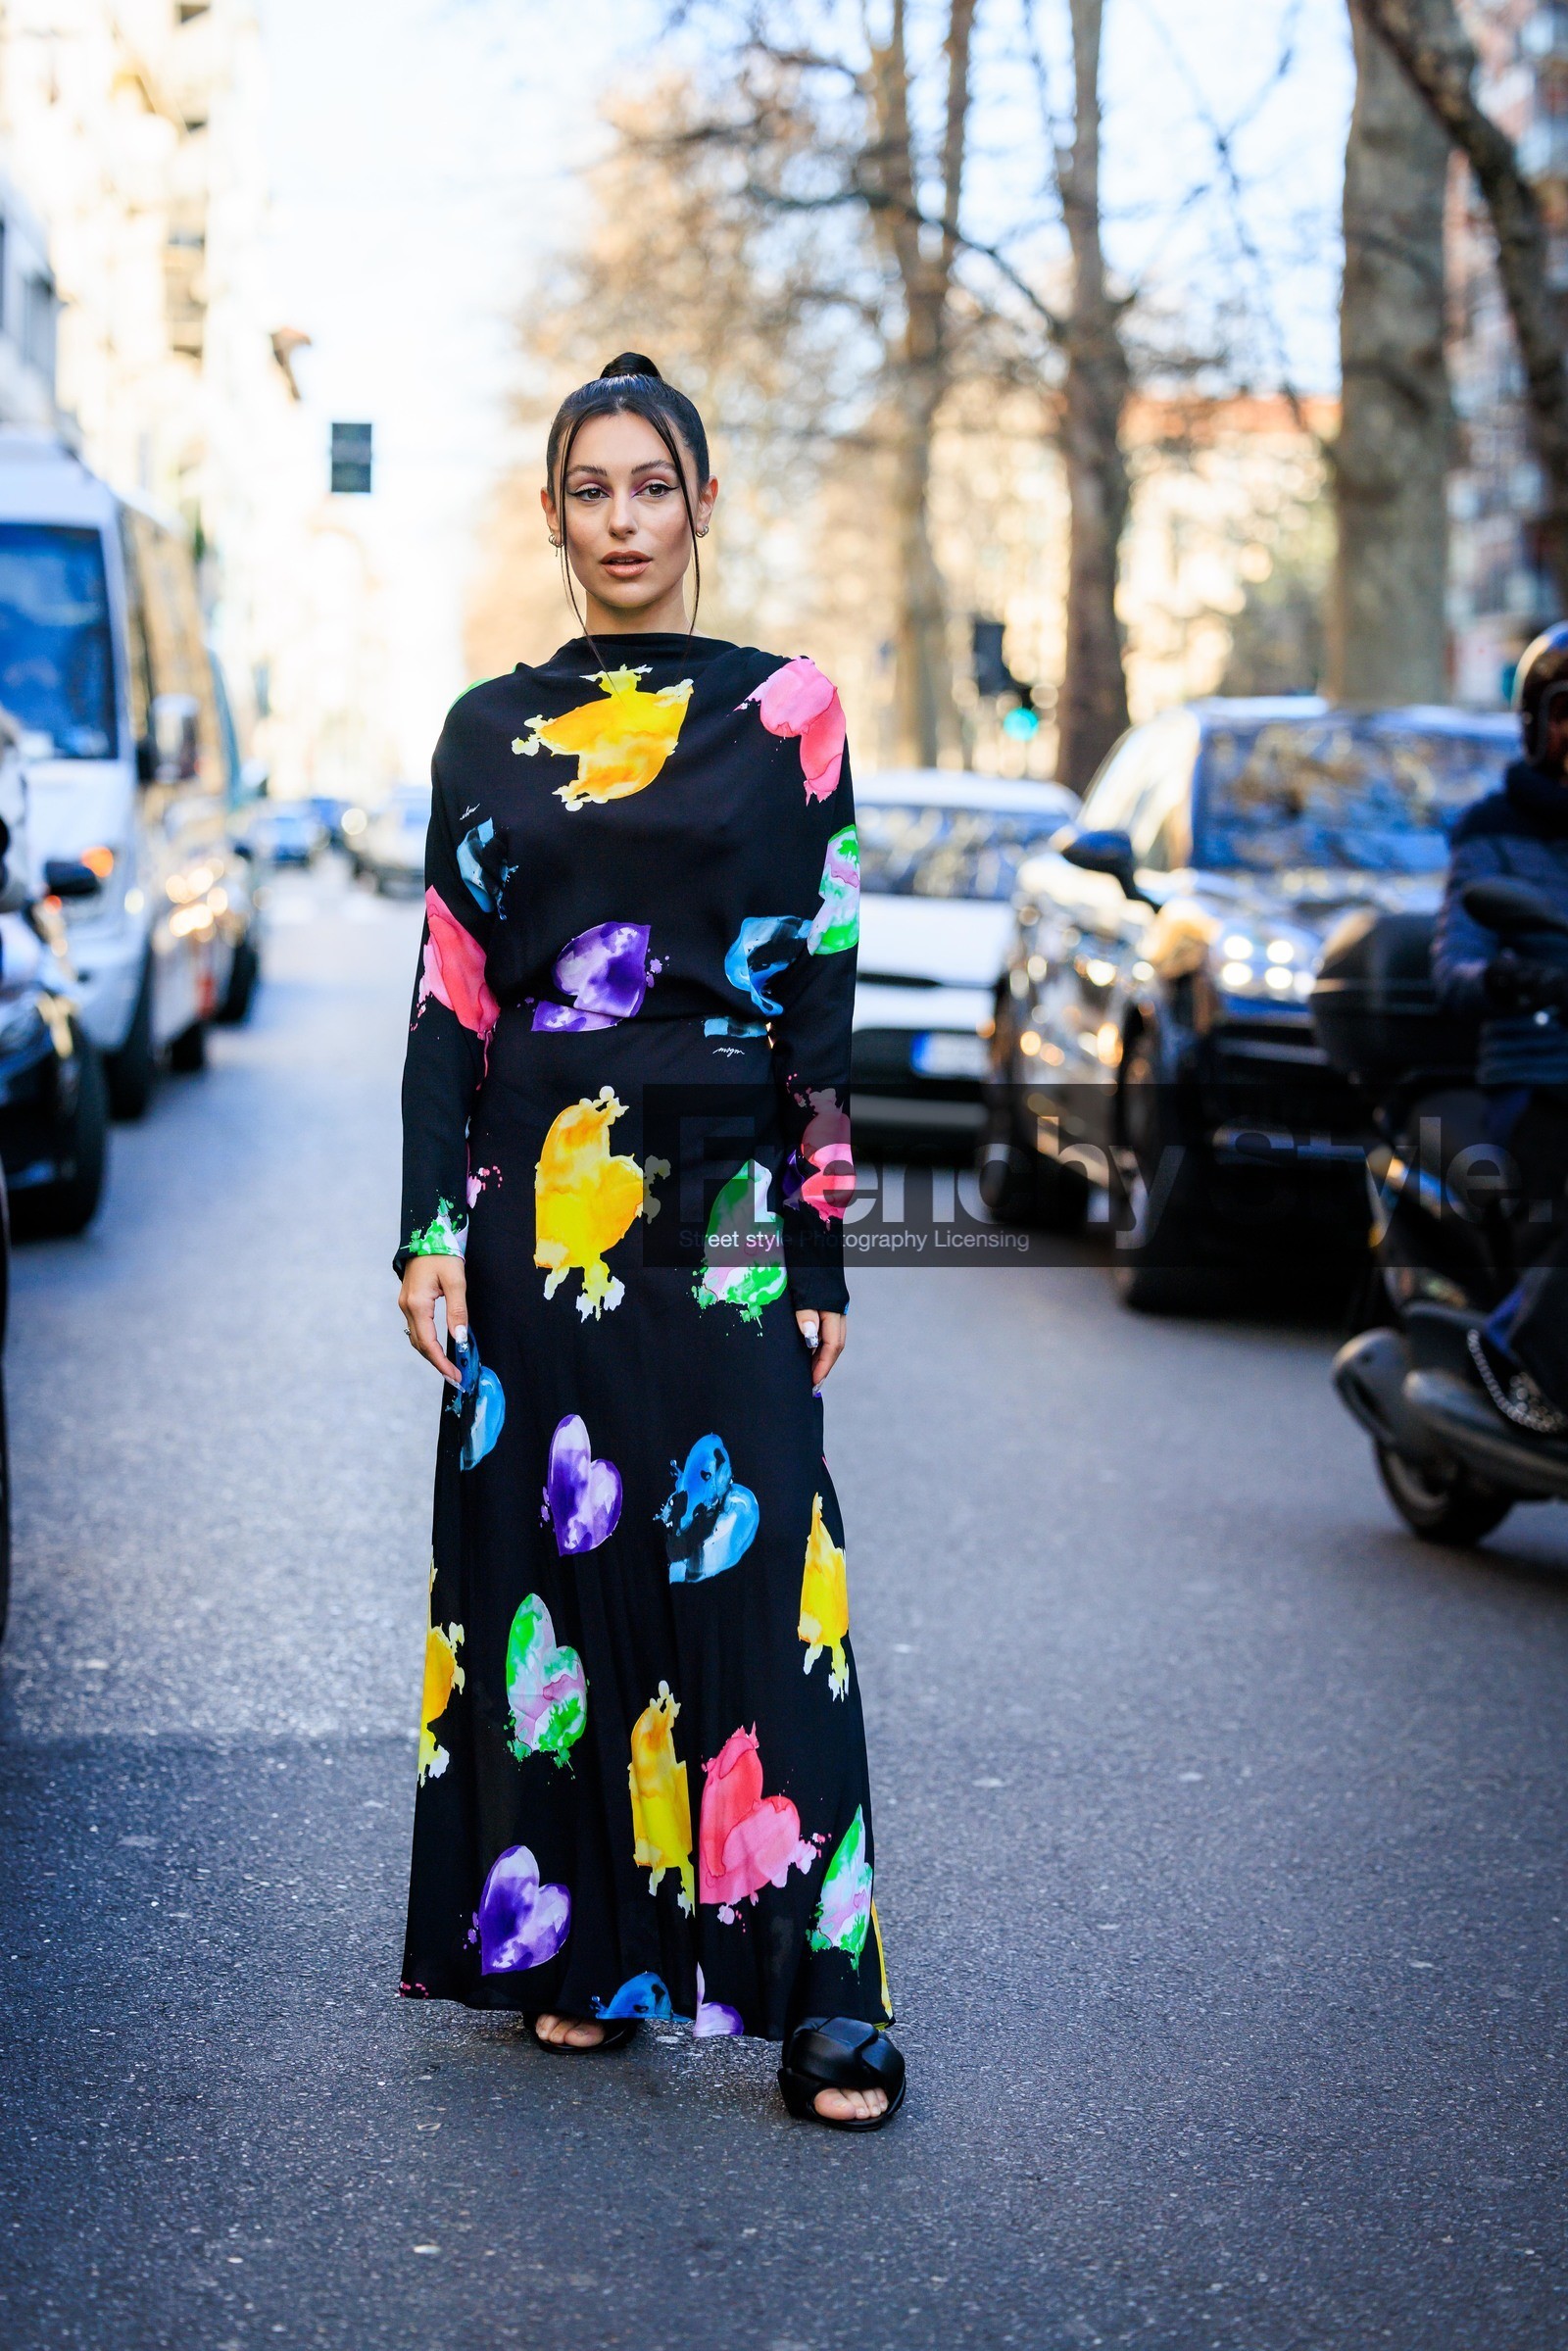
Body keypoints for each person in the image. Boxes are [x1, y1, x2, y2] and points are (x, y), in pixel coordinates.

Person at [393, 353, 904, 2130]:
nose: (624, 518)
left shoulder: (791, 714)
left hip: (725, 1201)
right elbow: (453, 995)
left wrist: (825, 1249)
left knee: (770, 1595)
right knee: (554, 1579)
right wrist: (423, 1225)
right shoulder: (486, 727)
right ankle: (582, 1951)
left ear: (704, 505)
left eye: (653, 485)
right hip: (532, 1202)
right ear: (556, 513)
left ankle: (827, 1999)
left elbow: (819, 1003)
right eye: (592, 488)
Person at [1431, 620, 1568, 1437]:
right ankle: (1511, 1351)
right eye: (1567, 712)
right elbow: (1454, 966)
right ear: (1536, 722)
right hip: (1537, 1067)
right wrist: (1513, 979)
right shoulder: (1491, 830)